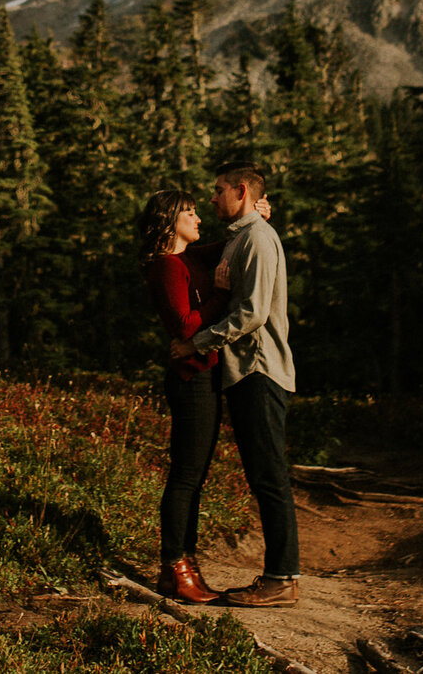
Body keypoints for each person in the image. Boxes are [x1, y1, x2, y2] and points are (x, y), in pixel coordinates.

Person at [171, 162, 299, 608]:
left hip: (259, 370)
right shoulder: (245, 236)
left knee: (269, 478)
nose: (212, 198)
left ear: (240, 191)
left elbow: (253, 315)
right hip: (246, 371)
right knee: (264, 476)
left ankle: (282, 578)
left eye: (219, 190)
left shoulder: (258, 241)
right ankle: (279, 576)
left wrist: (195, 343)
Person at [137, 187, 225, 604]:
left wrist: (258, 217)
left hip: (205, 376)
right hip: (191, 378)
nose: (198, 219)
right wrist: (221, 296)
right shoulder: (166, 266)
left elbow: (224, 245)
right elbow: (188, 327)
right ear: (171, 220)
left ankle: (182, 565)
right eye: (190, 213)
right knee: (186, 476)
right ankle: (175, 565)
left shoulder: (188, 257)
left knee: (195, 476)